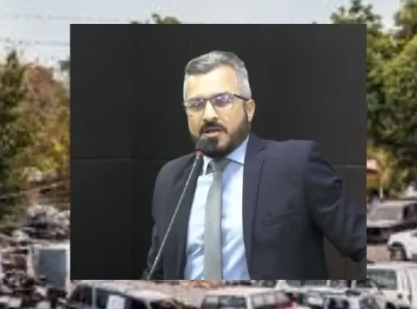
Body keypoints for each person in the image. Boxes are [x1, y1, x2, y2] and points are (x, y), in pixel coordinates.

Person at [144, 50, 365, 281]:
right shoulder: (170, 178)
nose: (208, 114)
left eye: (222, 100)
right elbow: (155, 272)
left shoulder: (296, 165)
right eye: (196, 104)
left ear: (248, 110)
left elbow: (360, 241)